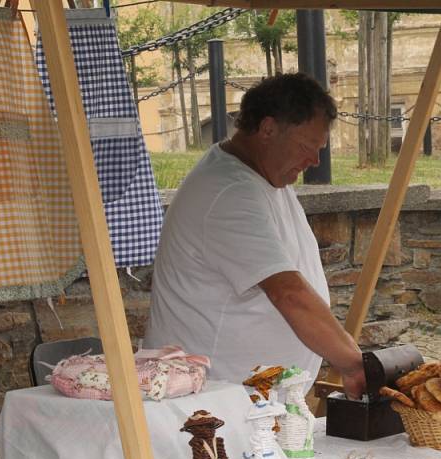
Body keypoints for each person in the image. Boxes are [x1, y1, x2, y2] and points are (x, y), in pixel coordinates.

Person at [143, 72, 365, 400]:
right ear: (268, 129)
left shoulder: (266, 174)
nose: (315, 161)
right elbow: (289, 293)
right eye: (307, 146)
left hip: (246, 403)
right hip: (211, 404)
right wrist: (354, 364)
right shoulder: (228, 192)